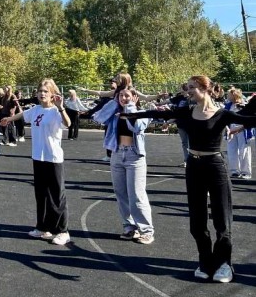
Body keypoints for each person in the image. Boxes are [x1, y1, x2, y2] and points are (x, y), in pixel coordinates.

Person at [119, 75, 256, 283]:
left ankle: (224, 264)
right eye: (187, 88)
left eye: (192, 87)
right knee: (197, 219)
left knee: (222, 217)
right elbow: (157, 113)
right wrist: (133, 115)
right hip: (194, 166)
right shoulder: (186, 111)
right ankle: (205, 261)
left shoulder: (222, 114)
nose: (188, 91)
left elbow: (249, 120)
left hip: (215, 166)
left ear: (205, 88)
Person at [0, 79, 71, 245]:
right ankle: (43, 227)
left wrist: (61, 108)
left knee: (57, 196)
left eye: (46, 91)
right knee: (41, 194)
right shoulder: (36, 109)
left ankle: (62, 231)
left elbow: (67, 123)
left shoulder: (55, 111)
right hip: (38, 158)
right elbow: (23, 115)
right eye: (40, 91)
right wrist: (9, 120)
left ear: (52, 94)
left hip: (53, 158)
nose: (42, 94)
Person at [106, 88, 154, 244]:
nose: (123, 98)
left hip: (135, 156)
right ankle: (129, 227)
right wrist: (115, 105)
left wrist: (130, 109)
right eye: (120, 96)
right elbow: (98, 117)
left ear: (135, 97)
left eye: (127, 95)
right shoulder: (115, 114)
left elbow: (137, 127)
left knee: (137, 195)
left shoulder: (143, 113)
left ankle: (146, 230)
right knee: (121, 193)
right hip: (117, 154)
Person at [225, 88, 252, 180]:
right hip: (231, 128)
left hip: (242, 129)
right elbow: (224, 118)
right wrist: (227, 128)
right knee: (231, 150)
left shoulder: (245, 104)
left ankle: (245, 172)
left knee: (243, 151)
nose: (227, 96)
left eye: (229, 94)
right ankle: (234, 170)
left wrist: (242, 106)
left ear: (234, 95)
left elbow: (250, 118)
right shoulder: (228, 105)